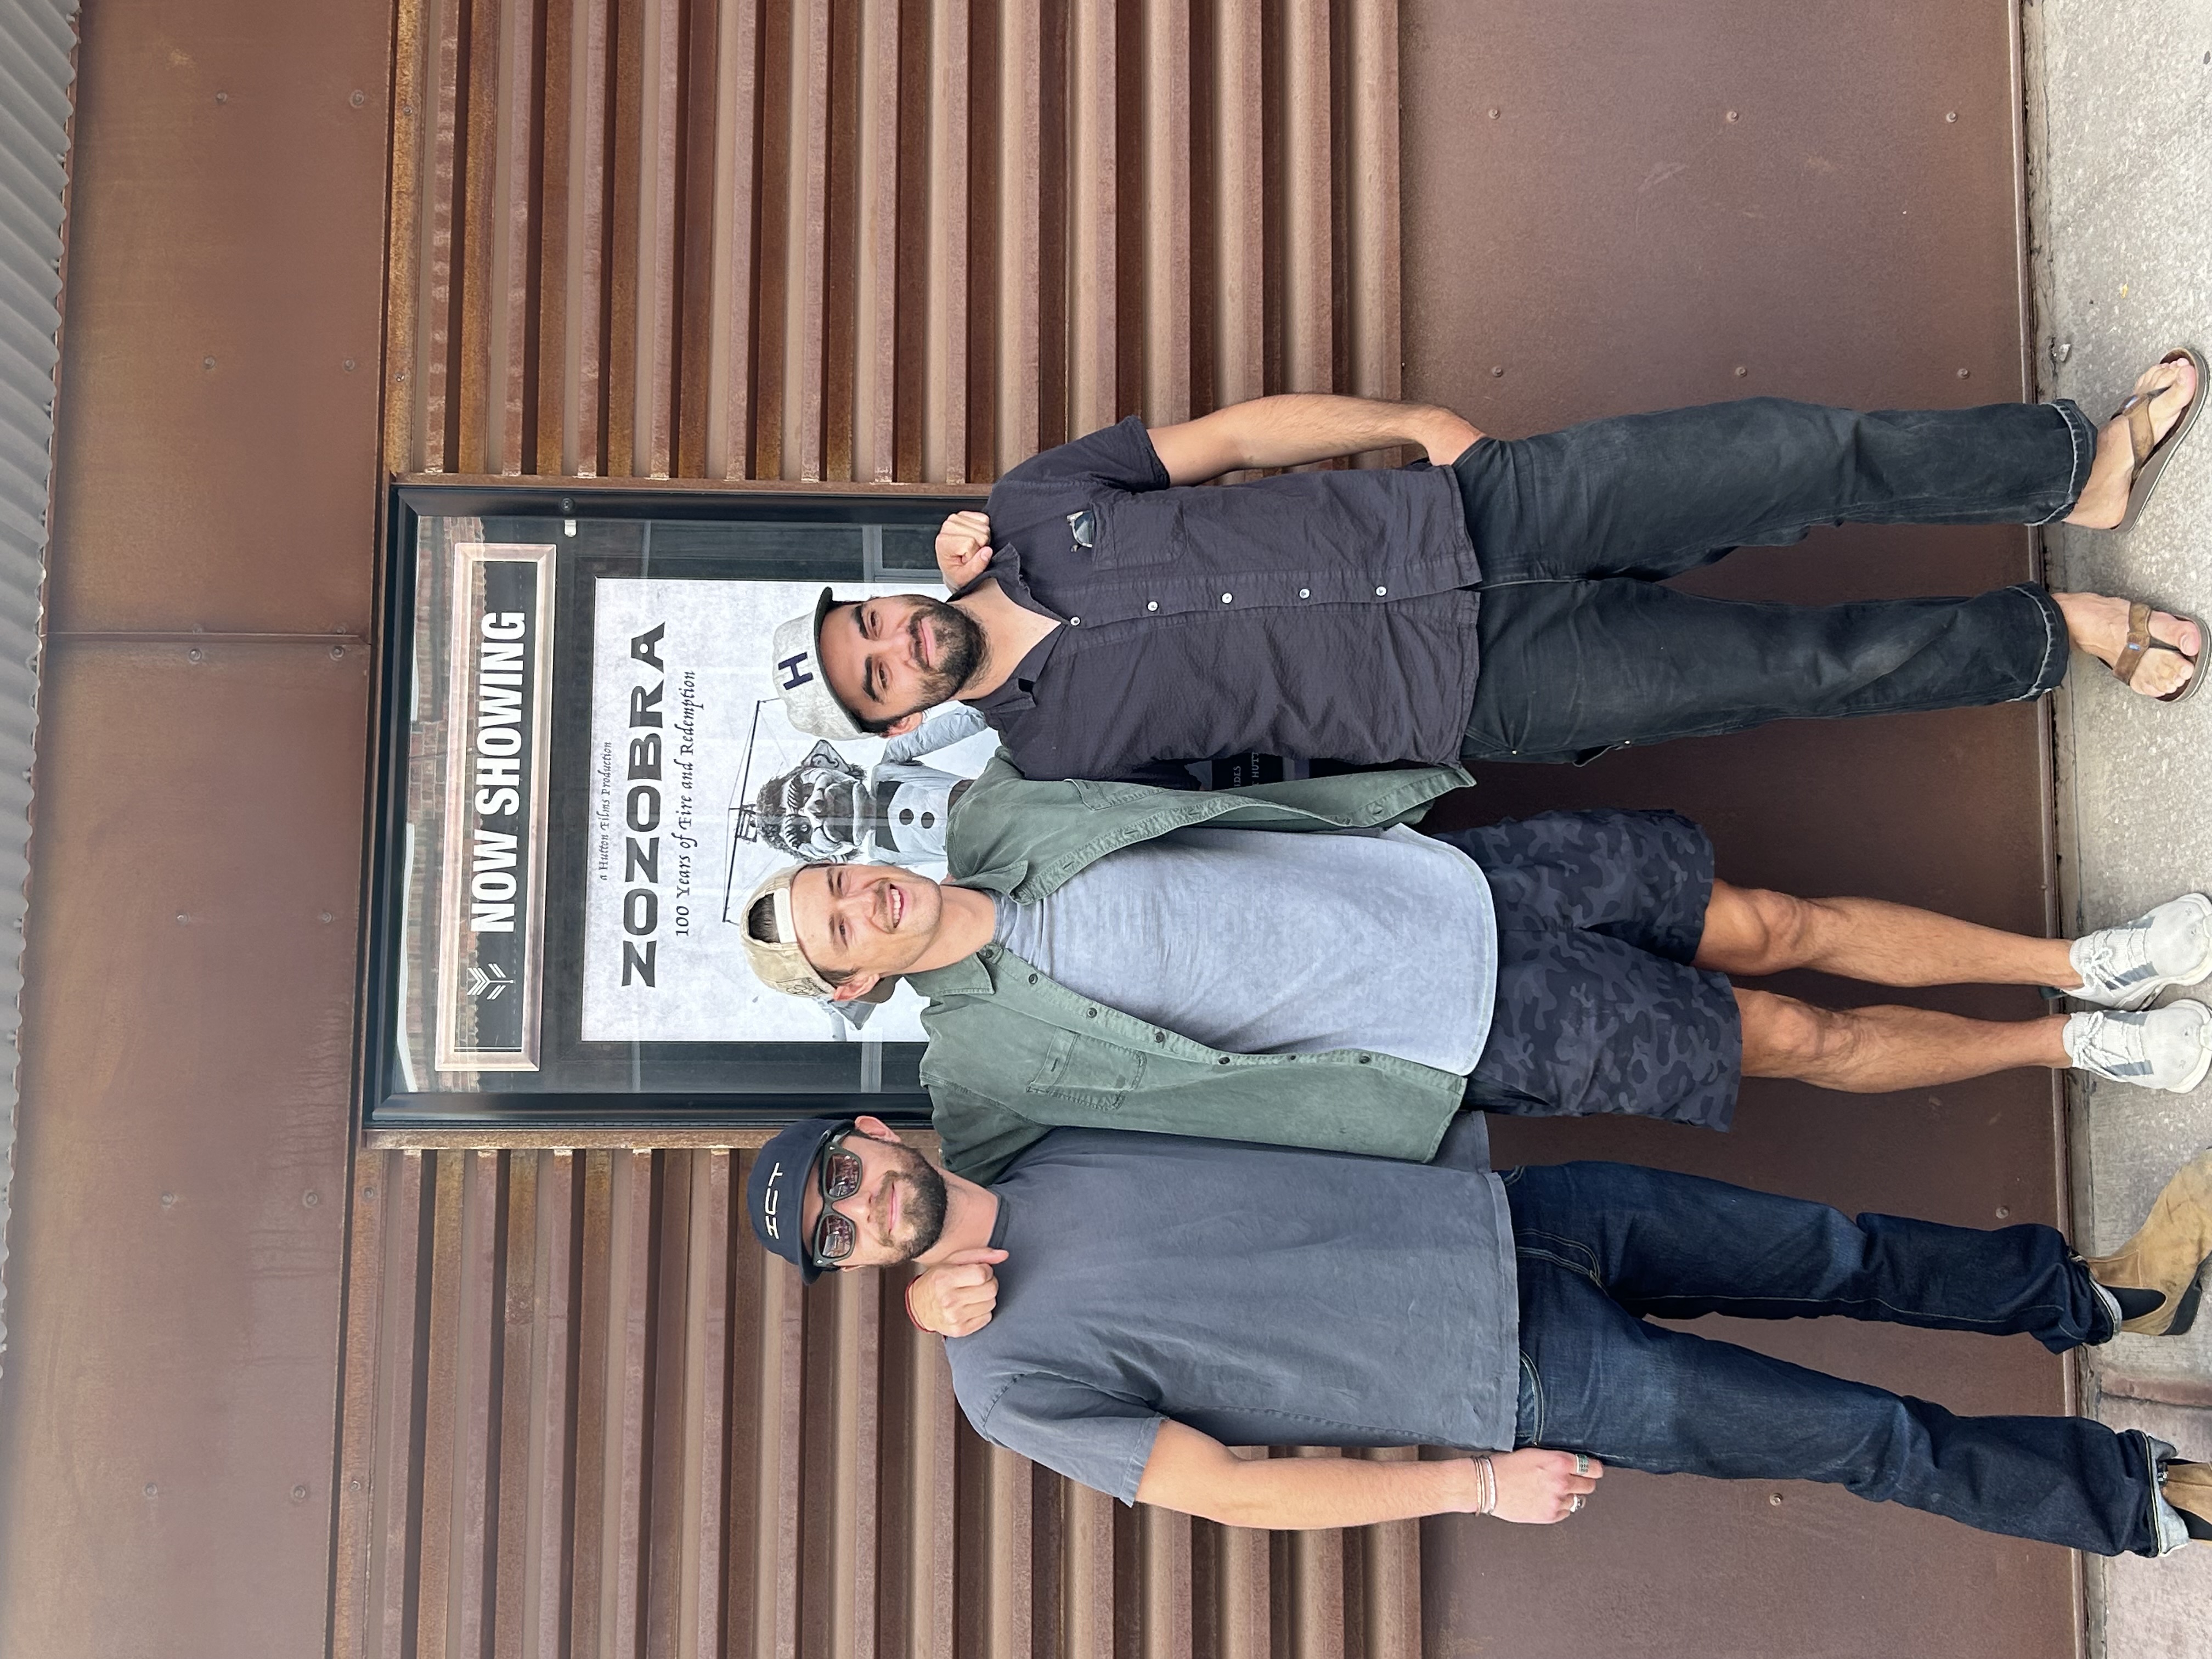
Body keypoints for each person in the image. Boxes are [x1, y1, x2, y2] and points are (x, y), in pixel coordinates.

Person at [743, 1112, 2212, 1555]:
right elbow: (1231, 1487)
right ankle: (2140, 1499)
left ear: (876, 1132)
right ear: (849, 1265)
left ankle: (2103, 1296)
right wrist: (1469, 1482)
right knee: (1867, 1438)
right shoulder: (998, 1379)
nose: (863, 1209)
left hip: (1517, 1212)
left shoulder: (1024, 1116)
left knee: (1845, 1248)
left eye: (846, 1175)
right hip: (1513, 1378)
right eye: (837, 1232)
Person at [736, 755, 2212, 1183]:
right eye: (842, 928)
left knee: (1778, 920)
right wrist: (947, 1281)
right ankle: (2076, 1050)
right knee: (1794, 1036)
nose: (862, 897)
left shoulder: (1002, 806)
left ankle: (2090, 962)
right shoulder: (978, 1072)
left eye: (841, 880)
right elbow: (984, 1207)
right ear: (857, 984)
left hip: (1457, 874)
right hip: (1466, 1026)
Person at [761, 352, 2205, 783]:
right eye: (873, 681)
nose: (892, 647)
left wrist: (1406, 424)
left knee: (1792, 450)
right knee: (1800, 667)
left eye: (866, 627)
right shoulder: (1057, 761)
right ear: (901, 718)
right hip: (1470, 696)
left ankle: (2063, 468)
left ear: (882, 593)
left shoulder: (1029, 501)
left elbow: (1229, 439)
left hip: (1470, 516)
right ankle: (2053, 633)